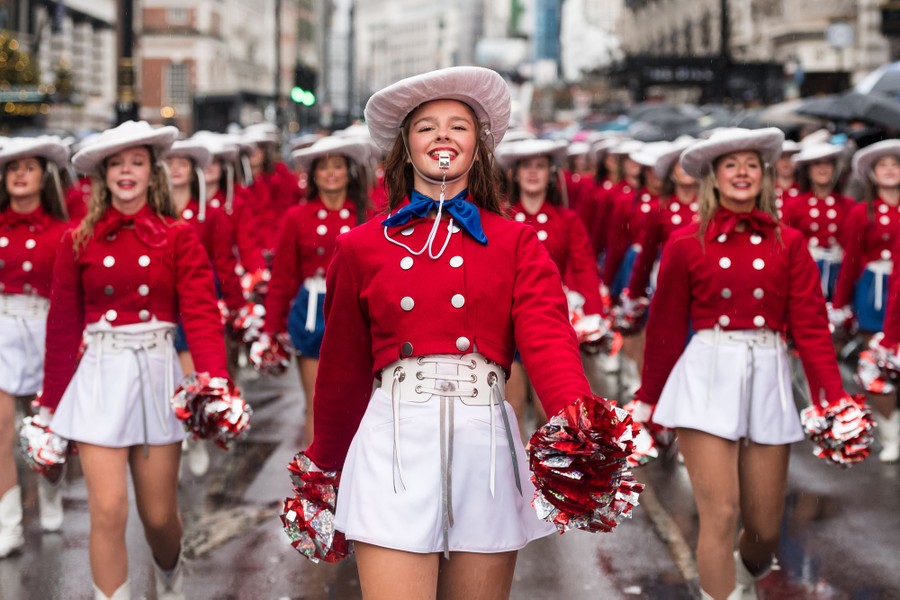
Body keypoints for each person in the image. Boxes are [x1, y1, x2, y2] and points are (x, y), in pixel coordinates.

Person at [303, 66, 606, 599]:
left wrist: (576, 422)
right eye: (426, 126)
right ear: (406, 147)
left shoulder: (517, 243)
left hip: (483, 447)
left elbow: (549, 340)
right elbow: (342, 371)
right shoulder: (360, 247)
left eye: (458, 125)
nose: (443, 135)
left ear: (478, 146)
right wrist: (324, 465)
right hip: (392, 443)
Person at [630, 128, 851, 600]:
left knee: (764, 531)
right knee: (721, 512)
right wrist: (647, 401)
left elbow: (811, 329)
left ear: (765, 175)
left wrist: (833, 398)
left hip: (768, 374)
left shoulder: (789, 243)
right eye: (731, 165)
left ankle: (742, 577)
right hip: (707, 375)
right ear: (712, 177)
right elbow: (666, 331)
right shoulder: (686, 244)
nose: (742, 173)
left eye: (751, 164)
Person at [38, 120, 233, 600]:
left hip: (156, 375)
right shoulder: (76, 240)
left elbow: (202, 314)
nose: (127, 171)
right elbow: (62, 327)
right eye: (117, 164)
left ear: (153, 172)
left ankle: (170, 573)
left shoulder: (178, 236)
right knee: (106, 510)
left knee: (159, 516)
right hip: (100, 377)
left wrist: (215, 382)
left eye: (137, 162)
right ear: (103, 175)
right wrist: (48, 408)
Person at [262, 135, 372, 445]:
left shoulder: (367, 215)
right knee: (317, 404)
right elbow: (282, 277)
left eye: (338, 166)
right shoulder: (296, 218)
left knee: (358, 404)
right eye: (324, 168)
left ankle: (353, 479)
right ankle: (319, 483)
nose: (331, 173)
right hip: (311, 312)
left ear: (349, 171)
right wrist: (271, 329)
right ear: (313, 176)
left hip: (354, 313)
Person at [495, 138, 607, 432]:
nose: (533, 173)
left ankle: (546, 477)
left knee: (554, 419)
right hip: (505, 325)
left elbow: (584, 269)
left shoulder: (568, 220)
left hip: (551, 323)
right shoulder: (501, 218)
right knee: (510, 413)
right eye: (526, 166)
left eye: (540, 166)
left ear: (550, 173)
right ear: (515, 174)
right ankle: (516, 477)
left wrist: (595, 317)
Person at [0, 136, 71, 556]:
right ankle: (8, 522)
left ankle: (50, 489)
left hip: (46, 331)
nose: (20, 174)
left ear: (44, 176)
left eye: (29, 167)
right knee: (0, 430)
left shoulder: (63, 231)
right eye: (13, 168)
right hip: (2, 327)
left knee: (46, 425)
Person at [847, 139, 900, 462]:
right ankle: (890, 431)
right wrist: (842, 305)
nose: (891, 170)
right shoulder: (860, 212)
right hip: (873, 294)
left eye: (896, 164)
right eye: (884, 166)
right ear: (873, 174)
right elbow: (852, 259)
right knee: (877, 367)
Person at [781, 143, 851, 301]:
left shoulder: (847, 205)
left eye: (828, 164)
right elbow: (784, 243)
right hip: (805, 270)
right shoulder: (794, 204)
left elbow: (852, 244)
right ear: (807, 171)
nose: (823, 169)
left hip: (837, 270)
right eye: (817, 164)